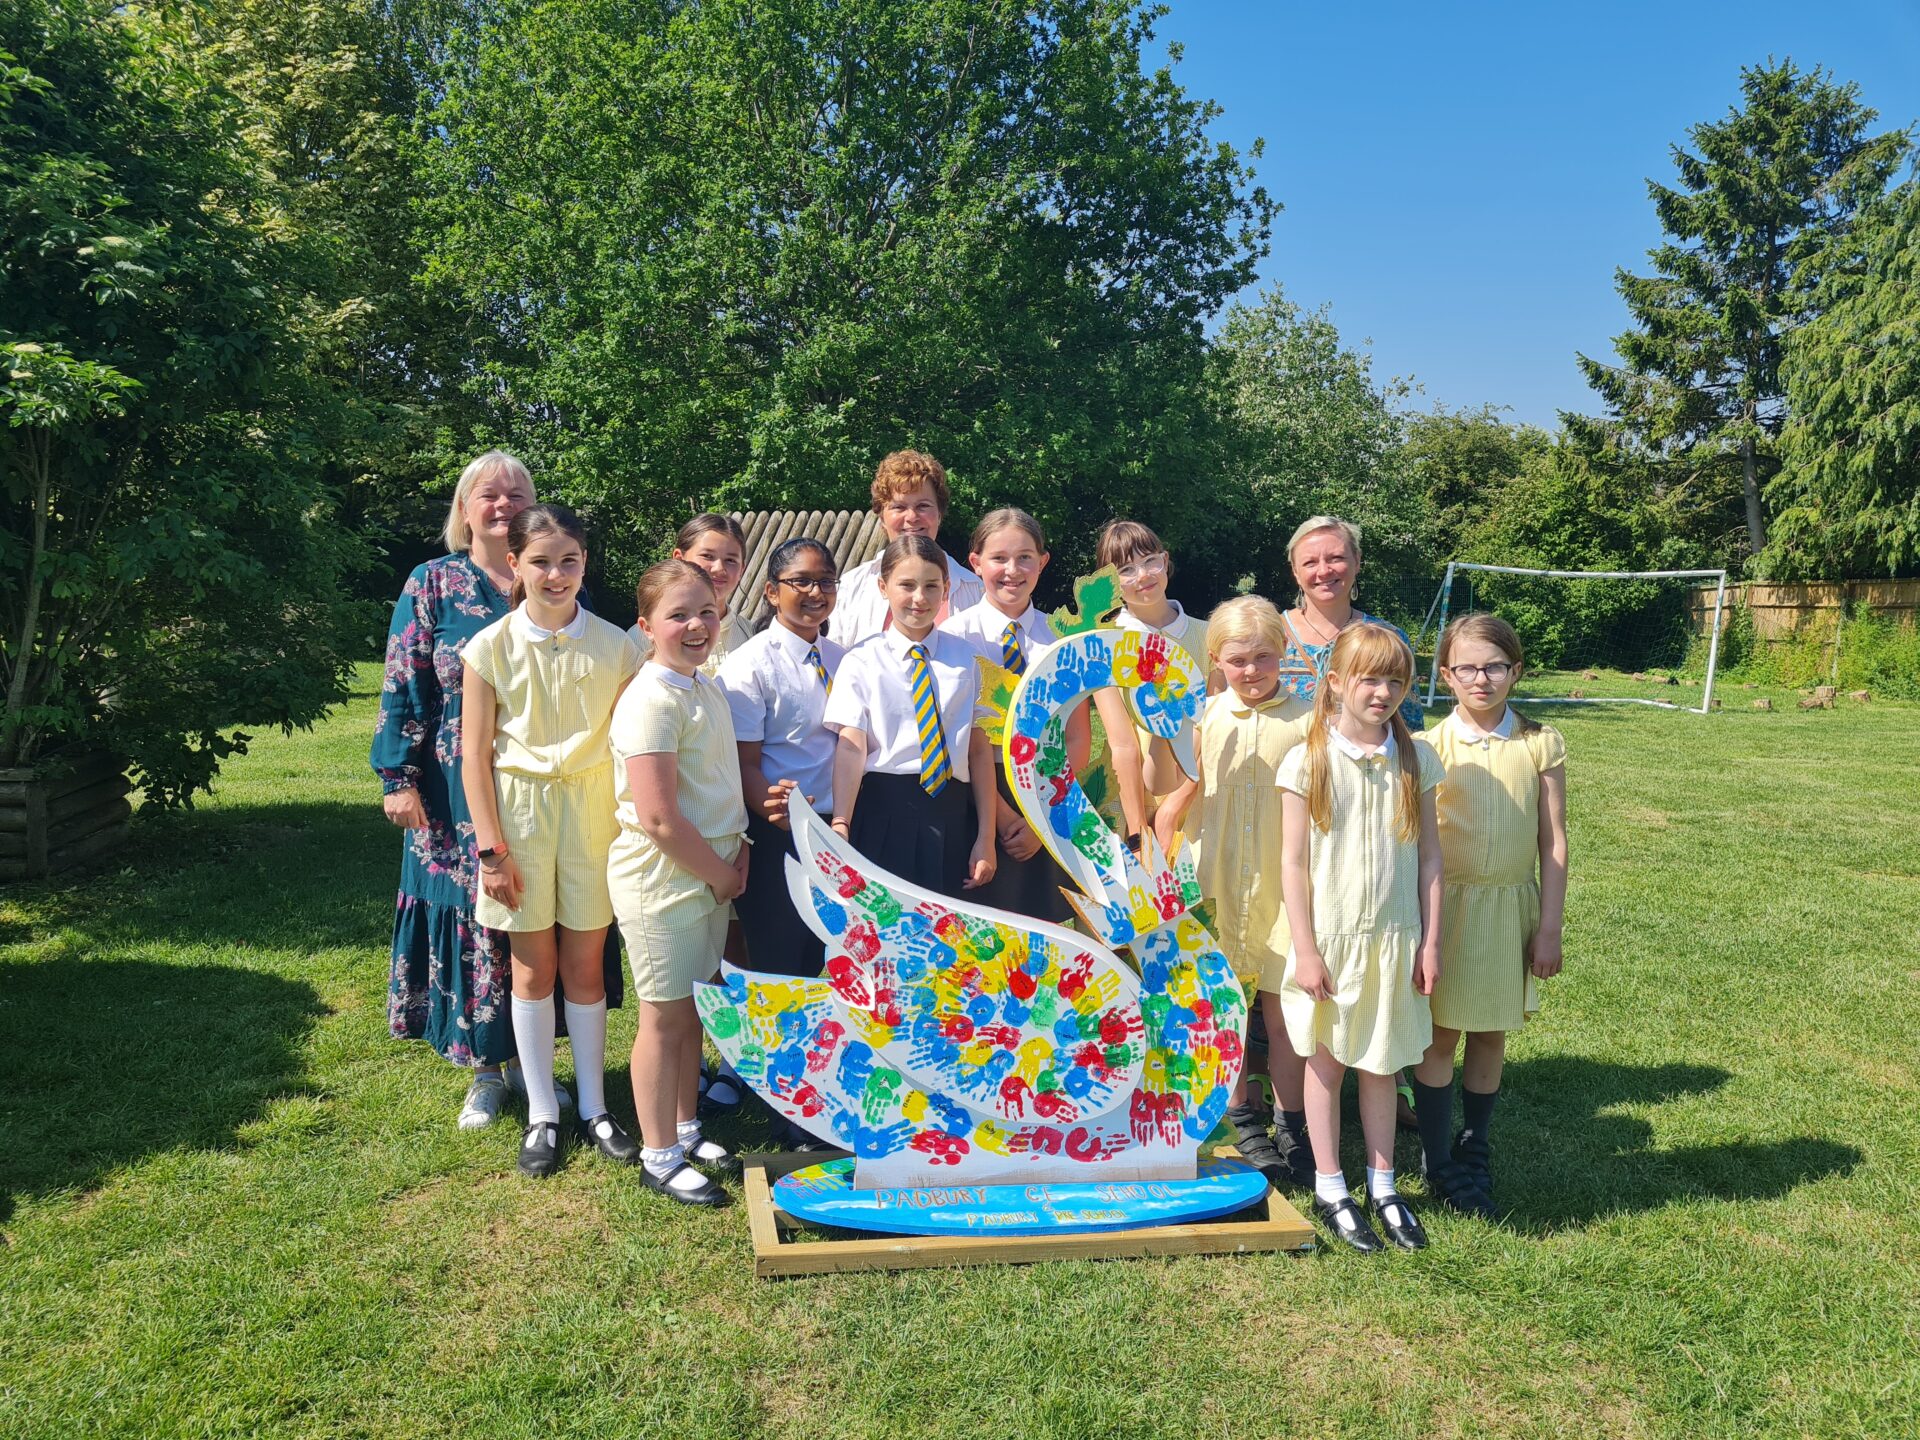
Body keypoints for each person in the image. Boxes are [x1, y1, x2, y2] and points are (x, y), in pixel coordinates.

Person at [373, 450, 580, 1128]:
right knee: (473, 920)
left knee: (534, 915)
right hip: (452, 790)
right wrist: (397, 777)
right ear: (465, 511)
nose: (504, 505)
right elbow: (404, 679)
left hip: (543, 783)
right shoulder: (433, 582)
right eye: (489, 495)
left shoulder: (546, 581)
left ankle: (529, 1063)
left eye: (517, 494)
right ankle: (484, 1074)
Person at [461, 504, 641, 1178]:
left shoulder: (617, 645)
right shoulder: (489, 648)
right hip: (521, 818)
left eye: (569, 561)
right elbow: (473, 756)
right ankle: (543, 1110)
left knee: (587, 964)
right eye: (540, 562)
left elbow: (630, 744)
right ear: (515, 566)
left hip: (595, 814)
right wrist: (491, 849)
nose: (556, 574)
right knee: (533, 968)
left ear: (584, 564)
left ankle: (595, 1106)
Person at [1277, 623, 1444, 1253]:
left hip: (1396, 938)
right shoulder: (1308, 759)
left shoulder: (1416, 758)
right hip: (1330, 941)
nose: (1382, 693)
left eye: (1395, 681)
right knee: (1327, 1064)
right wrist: (1309, 948)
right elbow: (1293, 863)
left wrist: (1429, 942)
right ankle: (1330, 1187)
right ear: (1337, 683)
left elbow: (1430, 859)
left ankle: (1383, 1185)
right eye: (1369, 679)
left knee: (1382, 1060)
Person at [1145, 596, 1313, 1185]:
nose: (1250, 671)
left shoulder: (1309, 721)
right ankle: (1241, 1119)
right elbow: (1164, 789)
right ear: (1215, 658)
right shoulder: (1200, 714)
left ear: (1283, 653)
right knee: (1224, 1003)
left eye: (1263, 658)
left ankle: (1295, 1123)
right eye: (1237, 660)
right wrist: (1166, 736)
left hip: (1283, 879)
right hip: (1211, 871)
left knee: (1284, 1006)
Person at [1411, 615, 1568, 1219]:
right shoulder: (1428, 746)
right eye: (1468, 667)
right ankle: (1433, 1155)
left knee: (1490, 1031)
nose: (1482, 678)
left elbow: (1552, 840)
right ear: (1446, 674)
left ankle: (1474, 1146)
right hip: (1446, 910)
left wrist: (1549, 925)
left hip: (1509, 907)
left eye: (1495, 666)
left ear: (1516, 671)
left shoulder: (1540, 744)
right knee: (1441, 1032)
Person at [610, 560, 752, 1206]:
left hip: (710, 873)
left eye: (706, 613)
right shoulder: (651, 699)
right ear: (646, 626)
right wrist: (723, 874)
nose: (696, 626)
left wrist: (736, 851)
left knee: (695, 1004)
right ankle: (658, 1153)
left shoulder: (703, 687)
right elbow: (660, 817)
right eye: (677, 615)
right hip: (665, 879)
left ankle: (687, 1126)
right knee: (663, 1018)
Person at [939, 508, 1091, 922]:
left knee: (1048, 935)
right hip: (973, 797)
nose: (1012, 570)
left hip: (1050, 796)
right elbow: (952, 738)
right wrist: (1006, 818)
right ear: (975, 563)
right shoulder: (952, 640)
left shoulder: (1062, 638)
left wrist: (1040, 817)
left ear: (1043, 562)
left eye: (1025, 557)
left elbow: (1077, 737)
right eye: (999, 558)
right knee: (981, 935)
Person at [824, 535, 996, 898]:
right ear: (883, 587)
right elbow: (851, 746)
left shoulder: (967, 658)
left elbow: (978, 751)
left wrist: (986, 838)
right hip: (884, 812)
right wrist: (842, 822)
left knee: (953, 940)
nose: (919, 598)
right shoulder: (861, 661)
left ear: (947, 589)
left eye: (931, 586)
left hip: (952, 814)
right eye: (907, 585)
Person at [717, 536, 845, 978]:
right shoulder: (748, 666)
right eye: (801, 582)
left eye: (826, 581)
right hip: (778, 831)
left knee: (827, 961)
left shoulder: (844, 660)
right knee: (781, 967)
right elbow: (742, 762)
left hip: (839, 831)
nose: (815, 593)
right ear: (772, 592)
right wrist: (779, 810)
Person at [1088, 518, 1217, 849]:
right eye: (1126, 569)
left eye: (1150, 561)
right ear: (1109, 581)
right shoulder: (1103, 644)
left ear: (1166, 560)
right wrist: (1138, 832)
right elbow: (1122, 745)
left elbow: (1213, 729)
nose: (1142, 576)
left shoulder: (1210, 636)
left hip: (1197, 800)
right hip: (1127, 804)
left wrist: (1173, 808)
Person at [1274, 514, 1422, 731]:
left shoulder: (1389, 638)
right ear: (1295, 571)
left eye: (1336, 558)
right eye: (1310, 562)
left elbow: (1410, 728)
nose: (1324, 571)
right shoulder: (1269, 635)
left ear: (1357, 561)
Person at [829, 450, 984, 646]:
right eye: (898, 507)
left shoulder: (975, 591)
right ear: (882, 518)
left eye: (923, 506)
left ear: (940, 514)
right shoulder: (851, 588)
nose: (911, 517)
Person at [629, 514, 752, 676]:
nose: (719, 568)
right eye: (707, 556)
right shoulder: (641, 638)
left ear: (742, 569)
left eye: (730, 560)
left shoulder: (749, 635)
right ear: (679, 559)